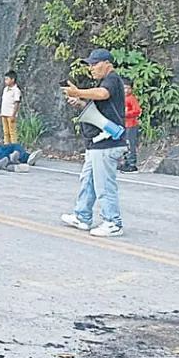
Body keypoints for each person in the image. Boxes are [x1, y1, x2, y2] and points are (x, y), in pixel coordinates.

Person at [60, 48, 127, 237]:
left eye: (95, 63)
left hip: (107, 143)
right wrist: (80, 102)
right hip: (97, 143)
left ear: (108, 64)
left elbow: (103, 94)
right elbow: (101, 105)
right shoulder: (104, 81)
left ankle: (113, 222)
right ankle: (82, 216)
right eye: (90, 64)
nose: (91, 68)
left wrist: (78, 91)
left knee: (104, 185)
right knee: (88, 180)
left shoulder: (112, 80)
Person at [120, 78, 142, 173]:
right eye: (124, 88)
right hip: (124, 125)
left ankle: (132, 164)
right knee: (124, 144)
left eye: (128, 88)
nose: (126, 91)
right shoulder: (122, 99)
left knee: (130, 144)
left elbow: (137, 111)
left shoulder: (131, 99)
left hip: (131, 125)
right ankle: (126, 162)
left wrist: (125, 114)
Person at [0, 70, 22, 144]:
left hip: (10, 114)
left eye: (7, 79)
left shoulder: (16, 90)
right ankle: (7, 146)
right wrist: (1, 113)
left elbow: (16, 103)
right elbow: (4, 102)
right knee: (6, 132)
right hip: (4, 114)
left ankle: (14, 147)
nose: (5, 81)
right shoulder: (5, 89)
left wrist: (13, 115)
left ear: (12, 80)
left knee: (12, 132)